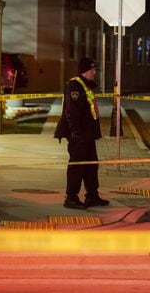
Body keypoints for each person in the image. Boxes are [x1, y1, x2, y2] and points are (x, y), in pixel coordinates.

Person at [56, 57, 109, 209]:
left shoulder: (87, 86)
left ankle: (92, 196)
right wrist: (75, 133)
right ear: (85, 70)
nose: (95, 72)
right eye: (92, 69)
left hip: (88, 135)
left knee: (92, 165)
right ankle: (71, 198)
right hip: (78, 136)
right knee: (77, 166)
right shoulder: (75, 86)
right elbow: (71, 112)